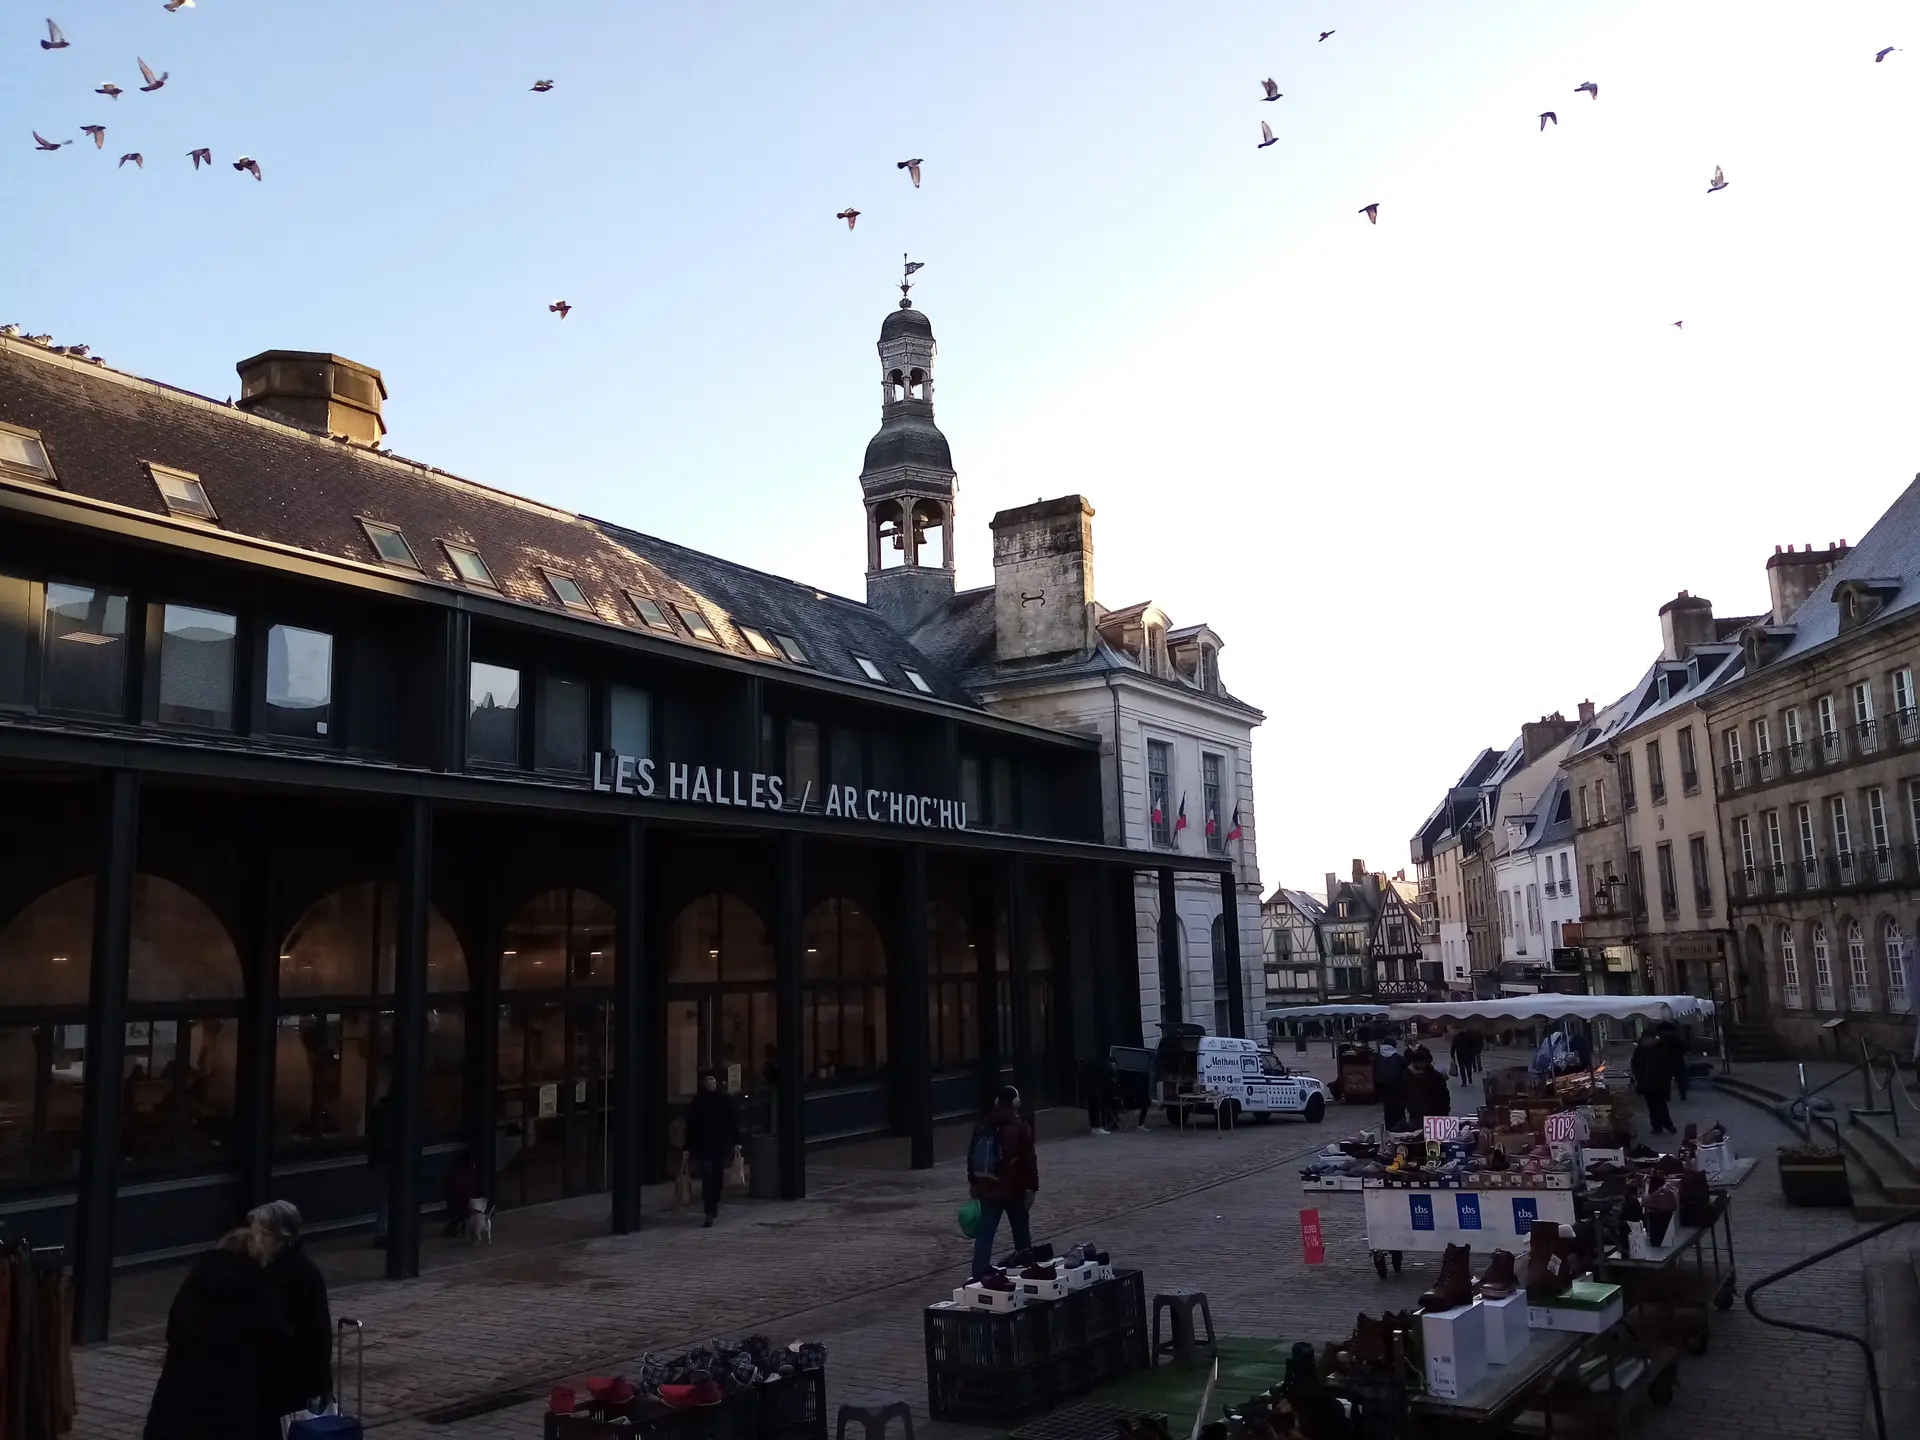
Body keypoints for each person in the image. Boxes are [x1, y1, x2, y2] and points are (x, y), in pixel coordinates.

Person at [143, 1223, 292, 1440]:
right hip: (230, 1404)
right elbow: (278, 1341)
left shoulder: (196, 1282)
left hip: (178, 1396)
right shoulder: (258, 1290)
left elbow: (174, 1330)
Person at [248, 1200, 332, 1437]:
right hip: (259, 1379)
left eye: (259, 1233)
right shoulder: (256, 1269)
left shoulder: (303, 1275)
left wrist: (319, 1387)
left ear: (278, 1236)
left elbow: (316, 1335)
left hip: (287, 1380)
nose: (252, 1239)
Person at [968, 1086, 1039, 1281]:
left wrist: (973, 1182)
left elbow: (972, 1156)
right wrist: (1032, 1187)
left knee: (986, 1232)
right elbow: (1028, 1161)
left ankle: (979, 1271)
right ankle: (1026, 1266)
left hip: (987, 1189)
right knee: (1020, 1229)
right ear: (1016, 1104)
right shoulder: (1020, 1127)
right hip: (1013, 1188)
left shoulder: (983, 1124)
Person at [683, 1068, 740, 1228]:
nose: (709, 1083)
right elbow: (691, 1126)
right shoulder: (697, 1102)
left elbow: (732, 1122)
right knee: (707, 1176)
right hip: (702, 1145)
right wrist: (687, 1147)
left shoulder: (725, 1100)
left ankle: (714, 1201)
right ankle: (709, 1210)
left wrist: (737, 1141)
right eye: (707, 1080)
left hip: (720, 1144)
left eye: (712, 1080)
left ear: (717, 1082)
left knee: (717, 1176)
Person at [1632, 1031, 1677, 1135]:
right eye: (1644, 1039)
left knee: (1660, 1105)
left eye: (1647, 1039)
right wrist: (1639, 1076)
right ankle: (1657, 1126)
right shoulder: (1640, 1050)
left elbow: (1668, 1063)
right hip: (1646, 1082)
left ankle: (1668, 1124)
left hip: (1660, 1082)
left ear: (1653, 1039)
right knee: (1651, 1106)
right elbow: (1635, 1064)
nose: (1645, 1041)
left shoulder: (1661, 1048)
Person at [1403, 1046, 1451, 1129]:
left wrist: (1444, 1114)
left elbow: (1444, 1097)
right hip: (1416, 1116)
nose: (1421, 1066)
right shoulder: (1407, 1076)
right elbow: (1402, 1095)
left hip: (1435, 1115)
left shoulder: (1435, 1076)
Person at [367, 1091, 392, 1248]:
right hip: (388, 1160)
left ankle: (383, 1232)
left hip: (380, 1160)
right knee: (388, 1197)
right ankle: (383, 1233)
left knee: (385, 1197)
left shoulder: (379, 1113)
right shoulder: (391, 1115)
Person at [443, 1149, 479, 1237]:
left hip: (460, 1199)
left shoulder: (461, 1173)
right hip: (461, 1199)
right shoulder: (464, 1174)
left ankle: (458, 1228)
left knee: (459, 1215)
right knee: (460, 1214)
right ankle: (459, 1228)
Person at [1375, 1040, 1407, 1131]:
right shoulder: (1398, 1058)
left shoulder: (1378, 1058)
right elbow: (1405, 1072)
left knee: (1388, 1111)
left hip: (1384, 1090)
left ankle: (1389, 1130)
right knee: (1399, 1110)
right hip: (1398, 1089)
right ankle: (1401, 1128)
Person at [1659, 1022, 1691, 1101]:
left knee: (1666, 1080)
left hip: (1666, 1062)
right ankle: (1683, 1094)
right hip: (1677, 1061)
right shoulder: (1677, 1038)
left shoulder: (1662, 1040)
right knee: (1680, 1079)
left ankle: (1667, 1096)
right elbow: (1684, 1049)